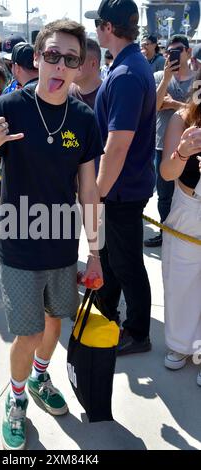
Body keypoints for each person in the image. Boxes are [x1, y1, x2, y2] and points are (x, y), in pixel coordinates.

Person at [0, 19, 103, 450]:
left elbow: (88, 189)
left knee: (53, 322)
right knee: (26, 334)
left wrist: (94, 252)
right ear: (37, 57)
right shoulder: (7, 108)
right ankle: (17, 396)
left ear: (79, 66)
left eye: (70, 58)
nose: (60, 65)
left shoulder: (83, 119)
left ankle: (41, 377)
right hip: (19, 243)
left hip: (63, 244)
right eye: (52, 55)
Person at [86, 0, 156, 355]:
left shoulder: (127, 73)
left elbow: (117, 145)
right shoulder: (130, 66)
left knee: (127, 263)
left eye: (97, 24)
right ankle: (107, 312)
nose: (95, 31)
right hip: (123, 187)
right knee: (115, 258)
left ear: (108, 28)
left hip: (121, 190)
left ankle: (138, 332)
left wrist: (96, 192)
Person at [160, 69, 201, 387]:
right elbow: (168, 172)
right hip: (188, 207)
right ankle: (180, 344)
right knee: (181, 279)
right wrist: (183, 153)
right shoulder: (182, 118)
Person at [144, 35, 195, 248]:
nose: (173, 54)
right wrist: (166, 79)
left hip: (192, 146)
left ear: (188, 52)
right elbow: (152, 108)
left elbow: (197, 112)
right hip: (161, 145)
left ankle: (187, 234)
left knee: (190, 194)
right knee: (164, 196)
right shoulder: (158, 77)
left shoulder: (198, 79)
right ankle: (166, 233)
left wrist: (174, 104)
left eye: (179, 50)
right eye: (169, 51)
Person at [70, 38, 102, 110]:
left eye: (75, 60)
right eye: (69, 59)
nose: (69, 64)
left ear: (93, 64)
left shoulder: (108, 97)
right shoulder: (65, 92)